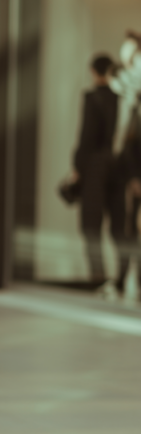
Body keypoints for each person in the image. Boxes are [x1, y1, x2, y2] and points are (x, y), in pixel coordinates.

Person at [72, 54, 132, 295]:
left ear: (93, 71)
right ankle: (121, 277)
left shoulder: (93, 98)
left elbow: (86, 137)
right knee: (118, 226)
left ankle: (97, 277)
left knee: (91, 225)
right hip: (119, 167)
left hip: (96, 167)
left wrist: (77, 167)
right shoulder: (123, 100)